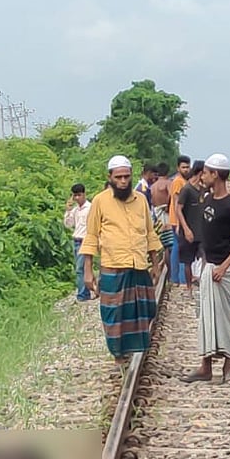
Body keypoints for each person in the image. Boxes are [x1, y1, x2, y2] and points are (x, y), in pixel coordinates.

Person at [79, 155, 163, 362]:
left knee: (144, 309)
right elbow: (91, 236)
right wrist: (88, 271)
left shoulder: (141, 200)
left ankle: (136, 349)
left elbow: (149, 232)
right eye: (119, 177)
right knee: (114, 313)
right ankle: (118, 353)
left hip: (138, 266)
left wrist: (156, 263)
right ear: (110, 178)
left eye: (127, 176)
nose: (123, 181)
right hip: (113, 266)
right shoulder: (100, 201)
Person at [184, 153, 230, 383]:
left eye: (207, 172)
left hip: (225, 269)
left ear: (216, 175)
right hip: (209, 265)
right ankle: (206, 366)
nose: (203, 176)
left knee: (228, 317)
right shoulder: (207, 199)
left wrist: (224, 266)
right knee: (206, 317)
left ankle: (228, 367)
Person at [175, 161, 206, 295]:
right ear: (200, 173)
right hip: (188, 230)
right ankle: (189, 288)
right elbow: (178, 209)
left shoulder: (203, 190)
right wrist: (185, 228)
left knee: (205, 256)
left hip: (201, 231)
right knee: (187, 260)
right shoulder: (186, 189)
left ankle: (204, 285)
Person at [63, 183, 93, 302]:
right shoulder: (75, 210)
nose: (77, 198)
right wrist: (68, 211)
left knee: (80, 269)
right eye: (75, 196)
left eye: (79, 195)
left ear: (84, 194)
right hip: (76, 240)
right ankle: (91, 289)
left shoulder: (90, 208)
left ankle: (83, 295)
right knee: (83, 268)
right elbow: (68, 224)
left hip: (85, 241)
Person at [167, 155, 192, 285]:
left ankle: (178, 278)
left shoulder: (184, 181)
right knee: (179, 248)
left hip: (181, 220)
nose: (186, 169)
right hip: (177, 220)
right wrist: (178, 223)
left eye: (188, 167)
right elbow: (177, 202)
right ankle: (178, 278)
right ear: (178, 168)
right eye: (183, 167)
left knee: (179, 247)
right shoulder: (178, 181)